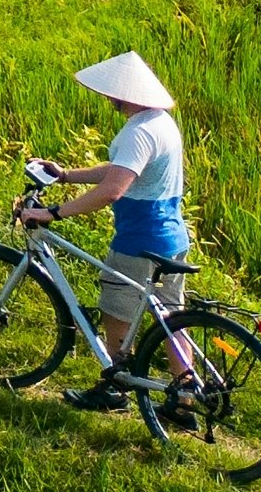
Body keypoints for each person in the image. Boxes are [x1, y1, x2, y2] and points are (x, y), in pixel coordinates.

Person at [15, 50, 190, 407]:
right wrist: (66, 176)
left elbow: (113, 189)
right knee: (171, 319)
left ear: (124, 94)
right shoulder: (160, 123)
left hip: (139, 241)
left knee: (116, 311)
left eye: (111, 92)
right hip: (172, 237)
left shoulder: (137, 133)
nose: (108, 97)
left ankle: (115, 388)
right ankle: (185, 399)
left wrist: (54, 213)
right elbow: (120, 170)